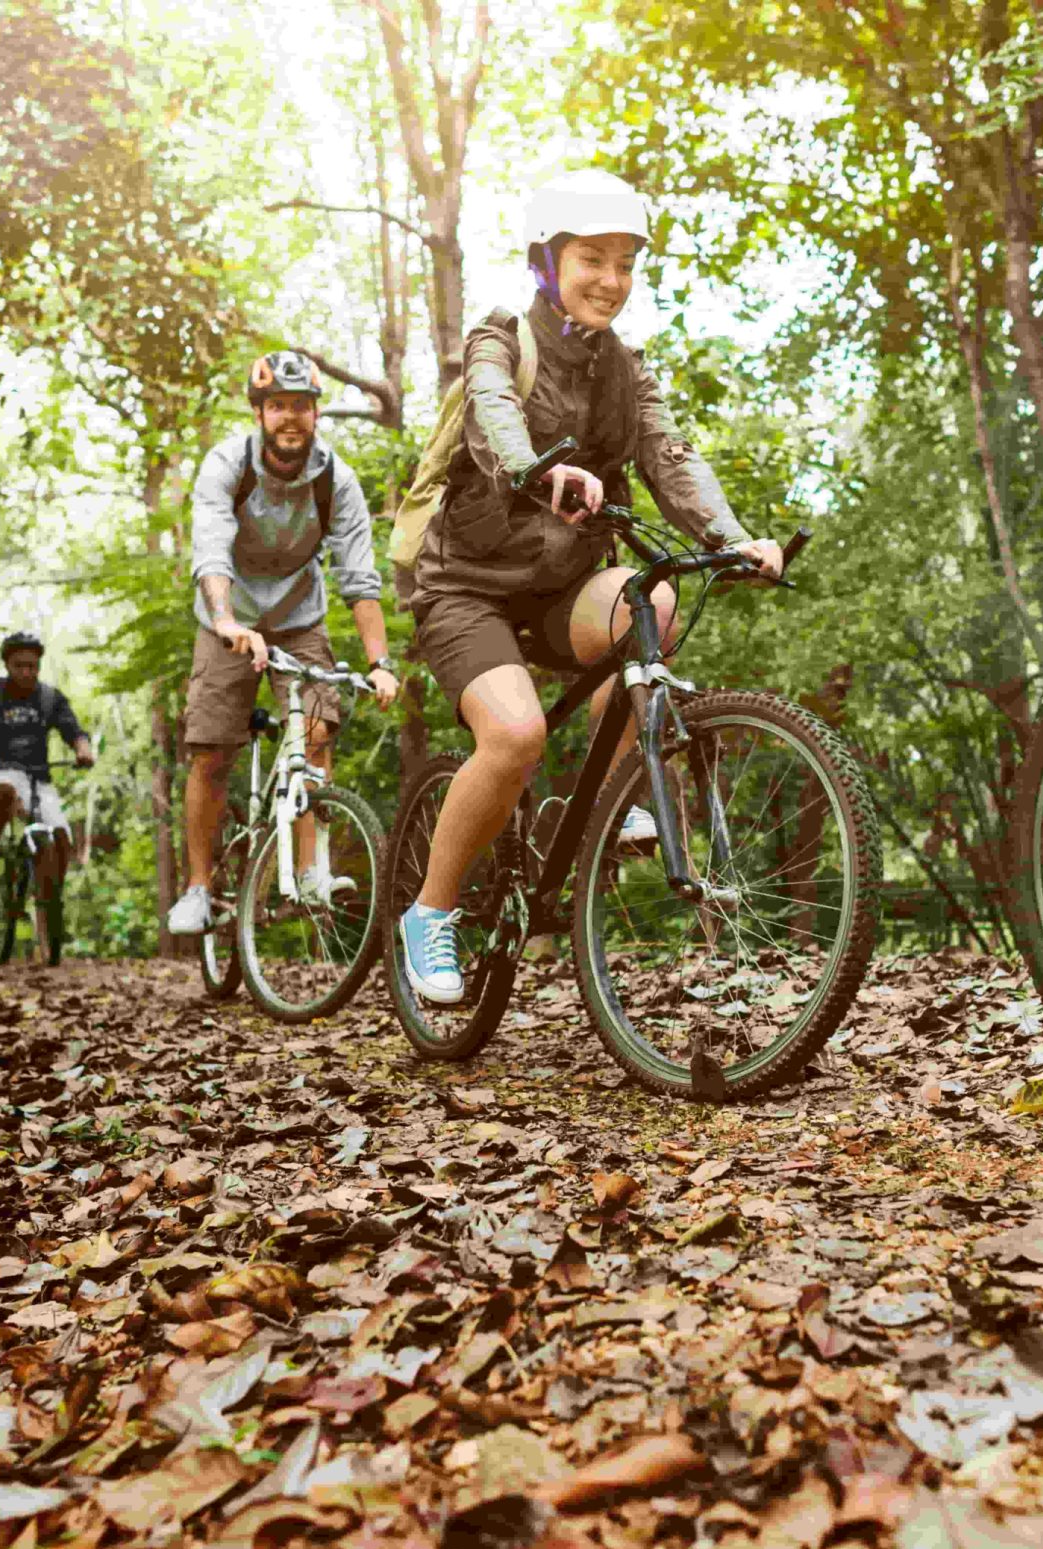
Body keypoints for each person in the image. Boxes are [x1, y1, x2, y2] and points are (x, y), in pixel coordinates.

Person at [395, 170, 785, 1006]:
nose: (612, 279)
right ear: (547, 262)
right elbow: (493, 413)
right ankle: (430, 912)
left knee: (662, 599)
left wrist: (730, 536)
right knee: (514, 736)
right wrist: (543, 469)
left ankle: (607, 805)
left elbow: (672, 459)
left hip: (562, 589)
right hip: (468, 587)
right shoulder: (501, 338)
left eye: (625, 262)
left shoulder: (624, 372)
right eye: (591, 259)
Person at [168, 350, 400, 938]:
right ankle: (198, 887)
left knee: (319, 730)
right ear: (260, 413)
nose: (290, 418)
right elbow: (211, 550)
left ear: (317, 413)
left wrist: (380, 663)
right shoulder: (227, 464)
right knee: (211, 749)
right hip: (229, 616)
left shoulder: (335, 480)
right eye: (278, 406)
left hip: (299, 617)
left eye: (301, 405)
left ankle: (310, 870)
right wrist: (225, 620)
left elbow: (359, 578)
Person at [0, 631, 96, 966]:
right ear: (7, 664)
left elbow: (74, 731)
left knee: (61, 837)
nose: (27, 672)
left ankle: (49, 902)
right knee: (6, 792)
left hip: (39, 778)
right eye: (20, 666)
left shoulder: (49, 698)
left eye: (33, 666)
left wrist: (82, 750)